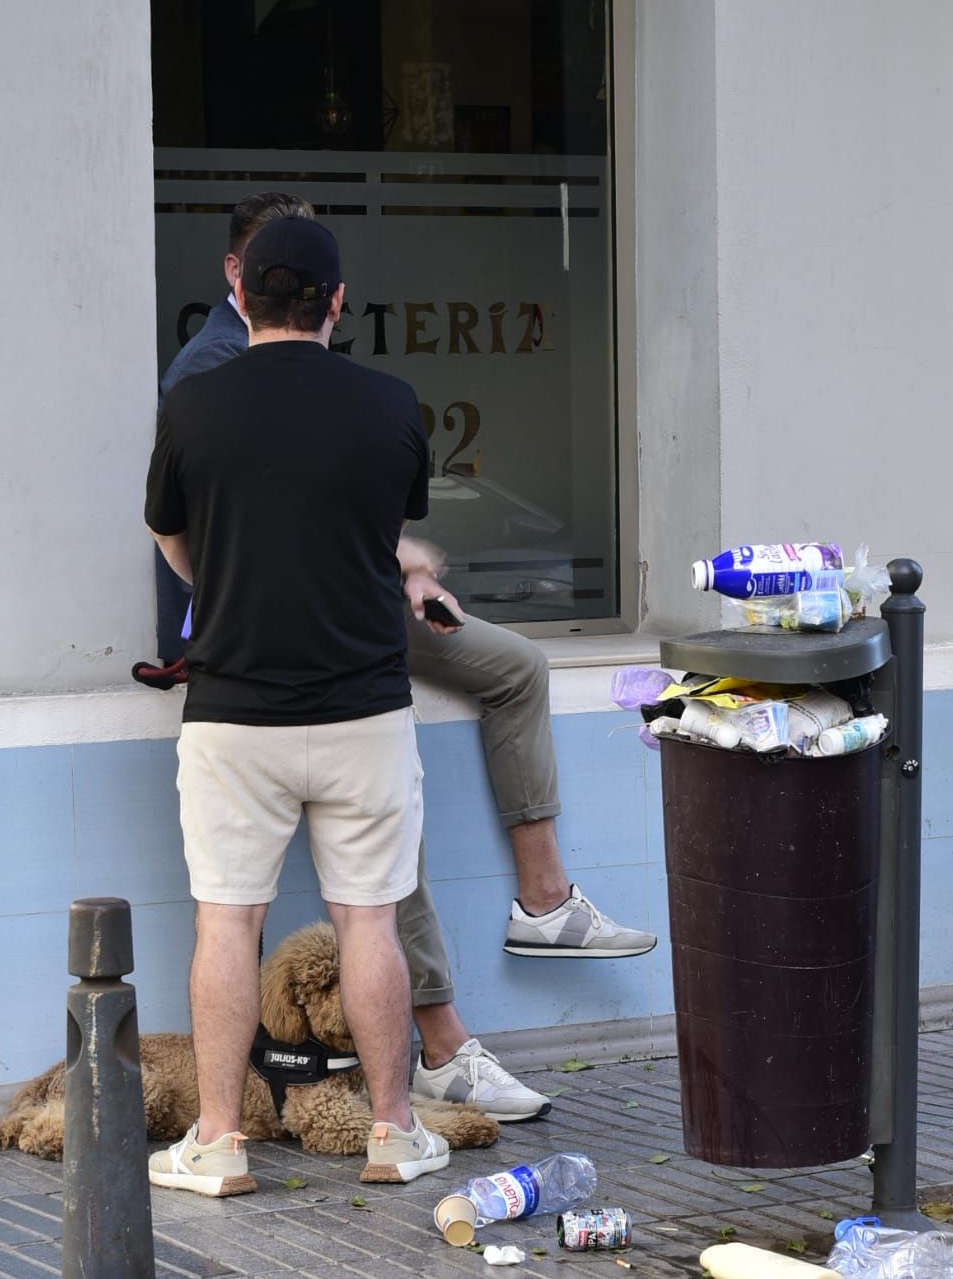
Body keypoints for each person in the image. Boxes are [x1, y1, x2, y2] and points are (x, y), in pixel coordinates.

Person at [154, 193, 656, 1124]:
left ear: (252, 287)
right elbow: (258, 527)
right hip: (303, 652)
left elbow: (211, 525)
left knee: (509, 673)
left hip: (305, 649)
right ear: (333, 299)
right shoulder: (228, 380)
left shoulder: (218, 396)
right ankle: (422, 1080)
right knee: (372, 888)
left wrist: (402, 570)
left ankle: (541, 906)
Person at [144, 216, 453, 1195]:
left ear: (243, 297)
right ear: (335, 300)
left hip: (233, 714)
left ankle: (221, 1143)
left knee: (226, 924)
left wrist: (220, 584)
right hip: (363, 707)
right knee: (370, 921)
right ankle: (393, 1134)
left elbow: (170, 536)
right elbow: (377, 531)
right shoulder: (391, 404)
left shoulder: (191, 406)